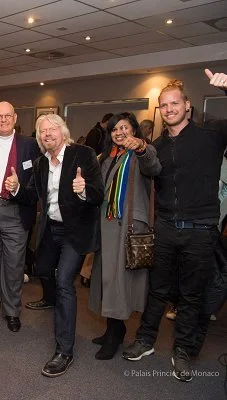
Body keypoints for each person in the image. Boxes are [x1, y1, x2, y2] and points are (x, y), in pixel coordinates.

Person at [122, 70, 227, 382]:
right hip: (166, 227)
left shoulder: (212, 135)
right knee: (158, 289)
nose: (169, 109)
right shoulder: (156, 146)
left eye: (174, 103)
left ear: (187, 105)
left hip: (201, 229)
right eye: (163, 105)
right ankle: (145, 340)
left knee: (192, 296)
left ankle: (182, 350)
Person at [29, 113, 104, 377]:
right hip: (50, 229)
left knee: (64, 284)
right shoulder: (40, 163)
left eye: (52, 129)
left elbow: (98, 193)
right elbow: (31, 192)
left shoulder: (83, 154)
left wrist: (84, 189)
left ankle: (64, 351)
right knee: (43, 270)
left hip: (74, 232)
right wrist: (16, 187)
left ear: (63, 131)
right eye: (42, 132)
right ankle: (53, 300)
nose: (47, 134)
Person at [88, 112, 161, 360]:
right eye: (114, 129)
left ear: (134, 130)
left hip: (127, 227)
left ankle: (116, 334)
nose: (119, 133)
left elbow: (154, 166)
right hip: (106, 227)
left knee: (119, 285)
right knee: (106, 282)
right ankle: (111, 329)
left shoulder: (141, 153)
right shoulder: (106, 158)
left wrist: (141, 147)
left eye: (124, 128)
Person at [0, 102, 40, 332]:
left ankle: (12, 310)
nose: (2, 120)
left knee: (14, 264)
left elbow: (36, 182)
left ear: (15, 118)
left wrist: (19, 186)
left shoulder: (30, 146)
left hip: (15, 210)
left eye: (7, 116)